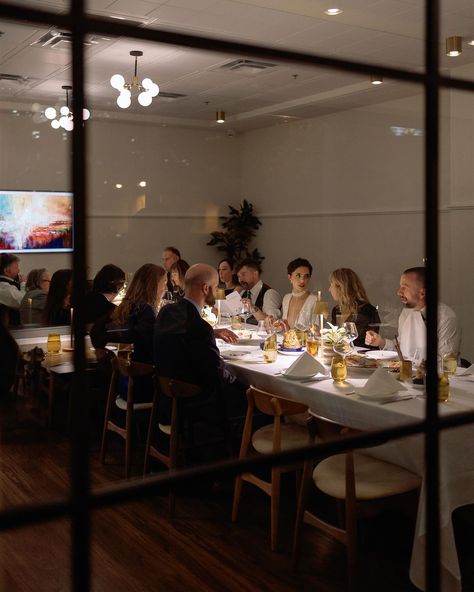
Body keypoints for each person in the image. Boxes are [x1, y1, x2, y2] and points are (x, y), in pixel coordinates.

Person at [154, 263, 246, 427]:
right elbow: (214, 374)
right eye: (216, 286)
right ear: (206, 288)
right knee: (251, 397)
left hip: (166, 402)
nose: (217, 290)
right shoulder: (199, 327)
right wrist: (245, 383)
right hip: (195, 408)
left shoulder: (166, 312)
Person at [92, 264, 167, 404]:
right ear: (154, 285)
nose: (165, 289)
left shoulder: (126, 306)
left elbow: (97, 332)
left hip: (123, 383)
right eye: (164, 283)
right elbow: (151, 347)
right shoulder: (146, 311)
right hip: (142, 386)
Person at [365, 266, 461, 361]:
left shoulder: (446, 317)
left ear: (422, 293)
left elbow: (446, 360)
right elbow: (401, 346)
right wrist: (380, 342)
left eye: (404, 287)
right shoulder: (407, 312)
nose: (399, 292)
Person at [329, 268, 380, 347]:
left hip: (364, 357)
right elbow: (335, 340)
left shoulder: (367, 311)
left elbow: (370, 342)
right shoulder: (336, 310)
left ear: (341, 287)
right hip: (343, 356)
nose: (329, 289)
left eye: (331, 285)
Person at [277, 258, 317, 330]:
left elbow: (318, 332)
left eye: (306, 276)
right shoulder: (286, 298)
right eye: (298, 275)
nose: (302, 280)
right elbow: (286, 329)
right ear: (290, 277)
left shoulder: (315, 300)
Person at [0, 253, 25, 326]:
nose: (19, 270)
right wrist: (23, 283)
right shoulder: (3, 286)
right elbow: (22, 302)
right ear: (6, 271)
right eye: (16, 267)